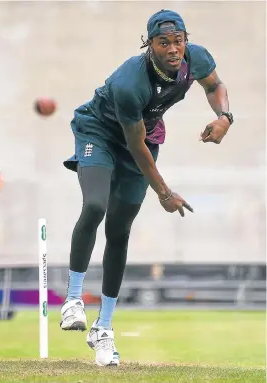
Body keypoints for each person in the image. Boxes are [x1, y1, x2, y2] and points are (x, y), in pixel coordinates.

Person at [61, 9, 233, 366]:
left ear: (186, 40)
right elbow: (135, 147)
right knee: (95, 205)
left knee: (119, 230)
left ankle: (103, 329)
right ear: (149, 45)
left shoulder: (195, 57)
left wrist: (224, 117)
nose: (173, 49)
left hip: (144, 137)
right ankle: (73, 299)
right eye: (163, 42)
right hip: (101, 132)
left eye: (178, 41)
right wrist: (164, 193)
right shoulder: (129, 83)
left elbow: (215, 85)